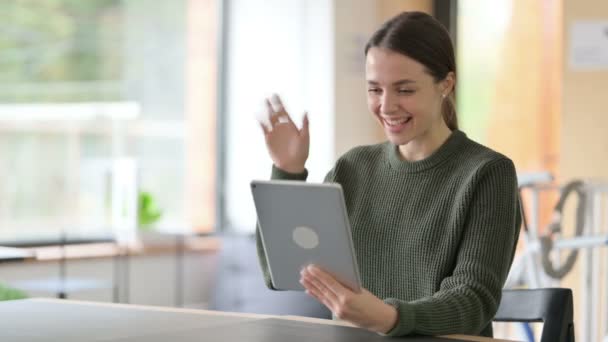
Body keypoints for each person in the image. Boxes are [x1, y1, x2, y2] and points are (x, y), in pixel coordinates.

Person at [255, 11, 521, 338]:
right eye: (374, 90)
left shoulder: (487, 173)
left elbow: (472, 300)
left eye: (404, 90)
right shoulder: (352, 168)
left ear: (446, 84)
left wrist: (390, 317)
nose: (386, 106)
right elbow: (278, 271)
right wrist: (288, 171)